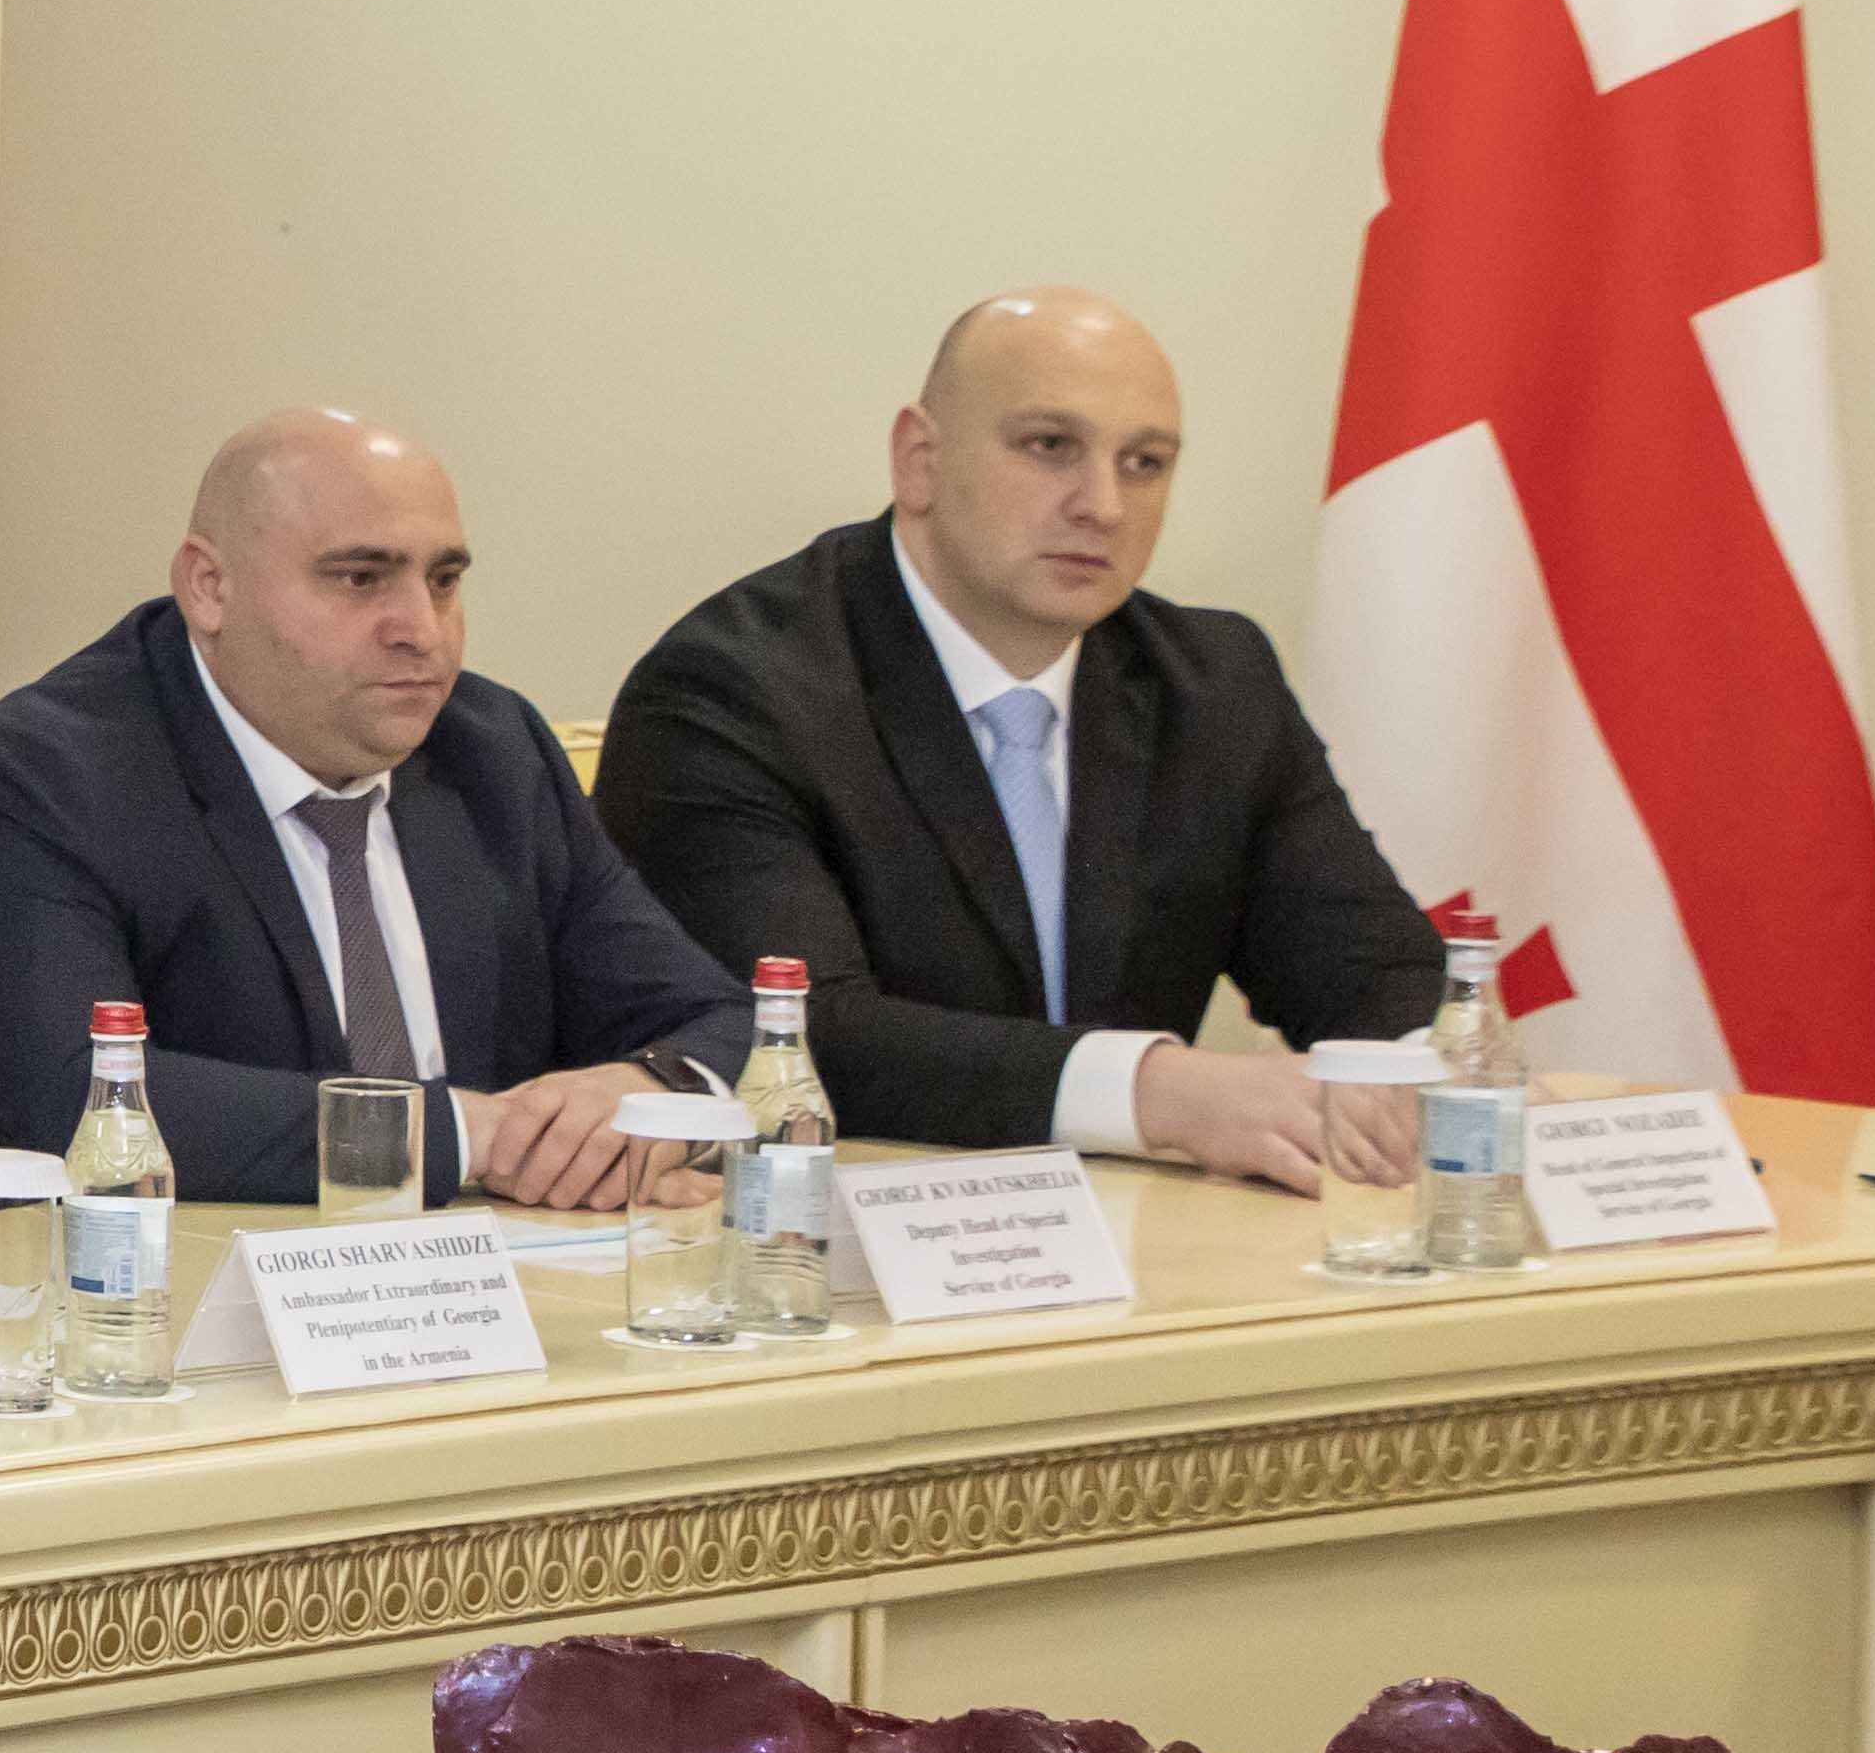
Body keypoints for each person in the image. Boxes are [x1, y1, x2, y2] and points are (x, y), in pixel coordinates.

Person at [596, 289, 1443, 1188]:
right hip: (845, 1236)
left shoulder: (1213, 682)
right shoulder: (733, 690)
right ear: (919, 460)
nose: (1104, 506)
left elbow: (1375, 974)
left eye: (1144, 463)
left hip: (1141, 1235)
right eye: (1051, 447)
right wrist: (1160, 1093)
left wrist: (1422, 1078)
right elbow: (793, 1041)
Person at [0, 410, 734, 1208]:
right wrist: (470, 1136)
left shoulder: (492, 750)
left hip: (481, 1280)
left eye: (443, 581)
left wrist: (650, 1097)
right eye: (361, 579)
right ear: (209, 587)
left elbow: (725, 1021)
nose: (423, 630)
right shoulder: (42, 773)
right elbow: (75, 1099)